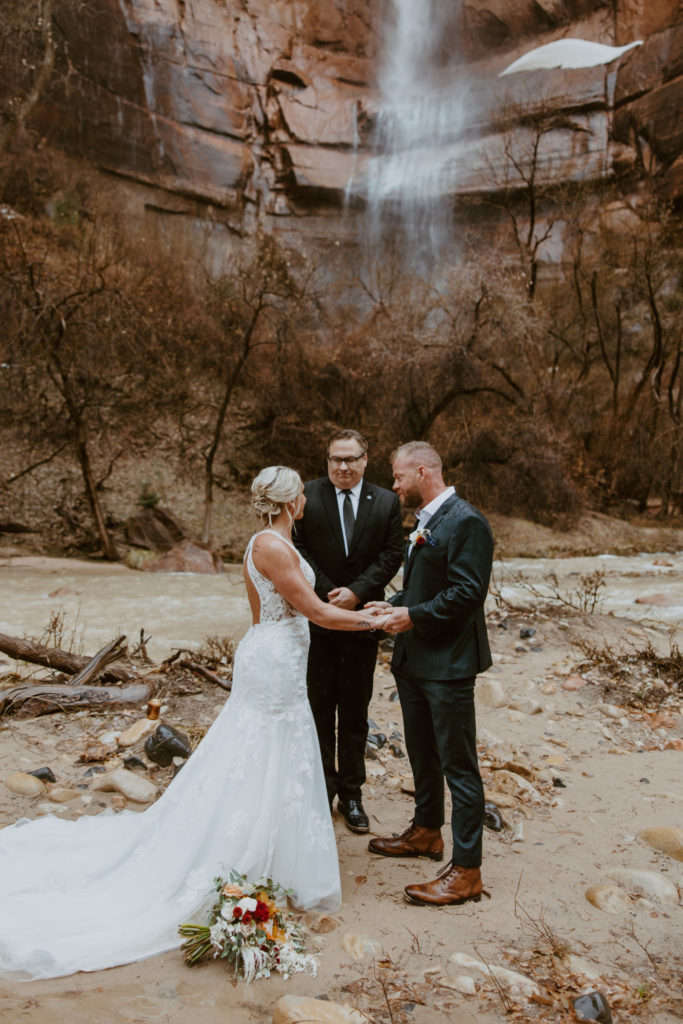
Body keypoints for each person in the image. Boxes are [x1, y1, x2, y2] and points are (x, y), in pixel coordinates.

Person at [0, 467, 388, 980]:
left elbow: (302, 608)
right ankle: (243, 854)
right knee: (264, 750)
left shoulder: (272, 543)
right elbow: (314, 611)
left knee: (275, 752)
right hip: (274, 661)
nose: (306, 497)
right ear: (292, 500)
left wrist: (348, 609)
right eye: (301, 491)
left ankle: (272, 855)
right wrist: (378, 619)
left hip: (278, 655)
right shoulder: (272, 546)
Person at [366, 441, 494, 907]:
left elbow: (467, 593)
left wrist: (412, 616)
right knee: (422, 753)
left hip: (449, 665)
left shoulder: (467, 522)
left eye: (399, 477)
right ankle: (425, 832)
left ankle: (466, 871)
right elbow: (425, 588)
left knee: (459, 766)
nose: (395, 485)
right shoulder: (426, 521)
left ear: (423, 471)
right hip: (415, 661)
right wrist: (395, 604)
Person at [294, 430, 403, 834]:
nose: (342, 467)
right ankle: (322, 790)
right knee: (319, 709)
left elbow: (393, 553)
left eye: (350, 459)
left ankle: (352, 794)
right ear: (327, 461)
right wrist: (327, 593)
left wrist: (356, 592)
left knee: (355, 712)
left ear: (364, 460)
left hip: (361, 624)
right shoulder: (306, 495)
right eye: (335, 460)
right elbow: (298, 546)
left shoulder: (387, 502)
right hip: (318, 622)